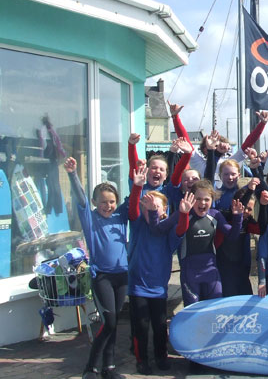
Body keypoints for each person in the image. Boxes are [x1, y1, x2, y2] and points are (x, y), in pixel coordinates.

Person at [64, 157, 129, 379]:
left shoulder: (121, 216)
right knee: (108, 321)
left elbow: (138, 192)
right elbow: (80, 199)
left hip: (122, 276)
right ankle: (90, 368)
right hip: (101, 277)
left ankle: (108, 367)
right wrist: (73, 175)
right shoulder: (90, 219)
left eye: (112, 201)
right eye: (103, 202)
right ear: (94, 202)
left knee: (114, 323)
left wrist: (138, 179)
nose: (108, 206)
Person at [127, 169, 179, 375]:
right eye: (147, 207)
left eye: (155, 208)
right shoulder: (138, 225)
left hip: (158, 287)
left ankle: (161, 356)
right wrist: (137, 187)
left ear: (164, 211)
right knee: (140, 326)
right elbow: (132, 208)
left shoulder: (167, 232)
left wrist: (182, 212)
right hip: (137, 285)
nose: (151, 211)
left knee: (159, 326)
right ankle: (142, 360)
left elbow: (180, 227)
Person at [160, 180, 244, 307]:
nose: (202, 203)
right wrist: (157, 214)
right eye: (198, 199)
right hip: (189, 274)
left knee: (215, 308)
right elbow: (160, 229)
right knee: (192, 311)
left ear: (212, 200)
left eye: (206, 199)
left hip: (211, 271)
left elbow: (232, 235)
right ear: (191, 199)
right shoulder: (182, 214)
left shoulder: (215, 215)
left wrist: (238, 217)